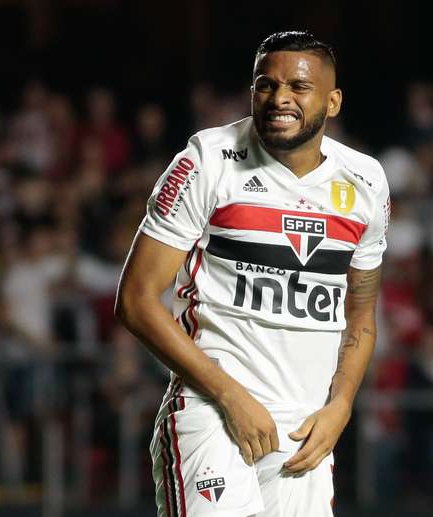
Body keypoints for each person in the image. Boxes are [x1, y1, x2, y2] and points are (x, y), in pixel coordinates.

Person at [116, 31, 390, 516]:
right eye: (266, 84)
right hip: (214, 414)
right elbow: (136, 299)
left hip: (304, 433)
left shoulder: (366, 182)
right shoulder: (207, 160)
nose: (279, 98)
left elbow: (361, 315)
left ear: (333, 101)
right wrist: (229, 396)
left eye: (298, 88)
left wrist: (341, 404)